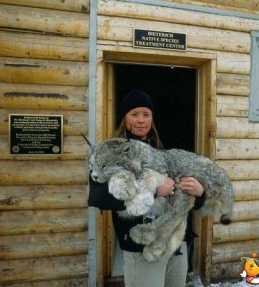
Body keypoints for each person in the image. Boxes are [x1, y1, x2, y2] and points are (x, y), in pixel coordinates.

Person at [88, 89, 205, 287]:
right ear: (124, 118)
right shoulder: (109, 153)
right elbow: (98, 198)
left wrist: (200, 192)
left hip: (176, 246)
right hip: (142, 248)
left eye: (146, 114)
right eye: (134, 114)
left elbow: (184, 197)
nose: (141, 120)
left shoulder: (162, 152)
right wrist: (153, 191)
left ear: (152, 118)